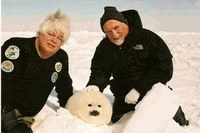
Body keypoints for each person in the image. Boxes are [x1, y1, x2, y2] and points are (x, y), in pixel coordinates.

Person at [83, 6, 189, 126]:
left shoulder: (148, 38)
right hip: (124, 96)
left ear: (125, 23)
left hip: (152, 92)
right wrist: (95, 84)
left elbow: (164, 69)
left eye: (116, 27)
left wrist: (139, 89)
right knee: (119, 124)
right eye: (108, 31)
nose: (114, 34)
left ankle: (179, 119)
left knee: (175, 125)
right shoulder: (105, 46)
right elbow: (100, 70)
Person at [1, 9, 73, 133]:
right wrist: (9, 120)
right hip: (5, 110)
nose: (54, 40)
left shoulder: (61, 58)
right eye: (51, 34)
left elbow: (64, 86)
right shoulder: (17, 48)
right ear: (40, 33)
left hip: (25, 118)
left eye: (59, 38)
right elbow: (3, 82)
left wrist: (70, 111)